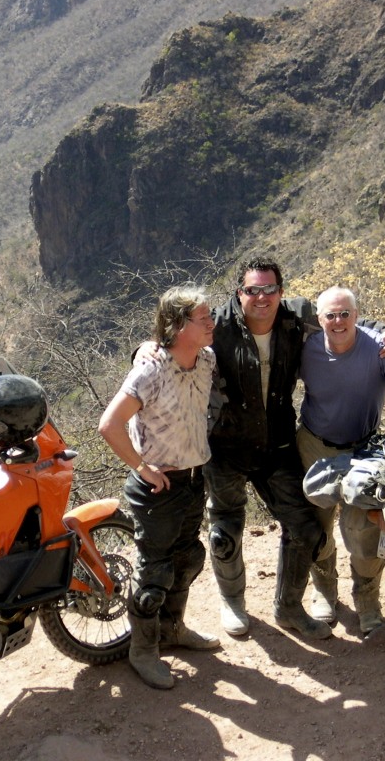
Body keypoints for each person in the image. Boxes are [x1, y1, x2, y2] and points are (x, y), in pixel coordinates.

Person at [203, 257, 385, 640]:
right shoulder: (216, 326)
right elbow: (172, 342)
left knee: (305, 527)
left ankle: (289, 607)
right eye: (252, 290)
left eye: (270, 289)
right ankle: (232, 601)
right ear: (239, 293)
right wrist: (144, 349)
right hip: (226, 445)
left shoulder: (296, 317)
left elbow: (345, 322)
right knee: (224, 531)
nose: (262, 297)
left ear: (281, 292)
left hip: (277, 443)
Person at [99, 285, 221, 689]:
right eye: (203, 318)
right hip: (158, 487)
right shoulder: (150, 370)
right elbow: (109, 425)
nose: (211, 323)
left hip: (193, 478)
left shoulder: (206, 359)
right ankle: (143, 651)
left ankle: (173, 630)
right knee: (154, 574)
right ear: (178, 325)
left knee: (187, 558)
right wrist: (142, 467)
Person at [297, 285, 385, 635]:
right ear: (319, 319)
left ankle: (367, 600)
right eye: (331, 315)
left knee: (363, 530)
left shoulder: (380, 348)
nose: (338, 321)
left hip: (363, 451)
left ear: (357, 316)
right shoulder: (306, 349)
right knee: (315, 526)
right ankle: (324, 591)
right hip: (314, 446)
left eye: (345, 314)